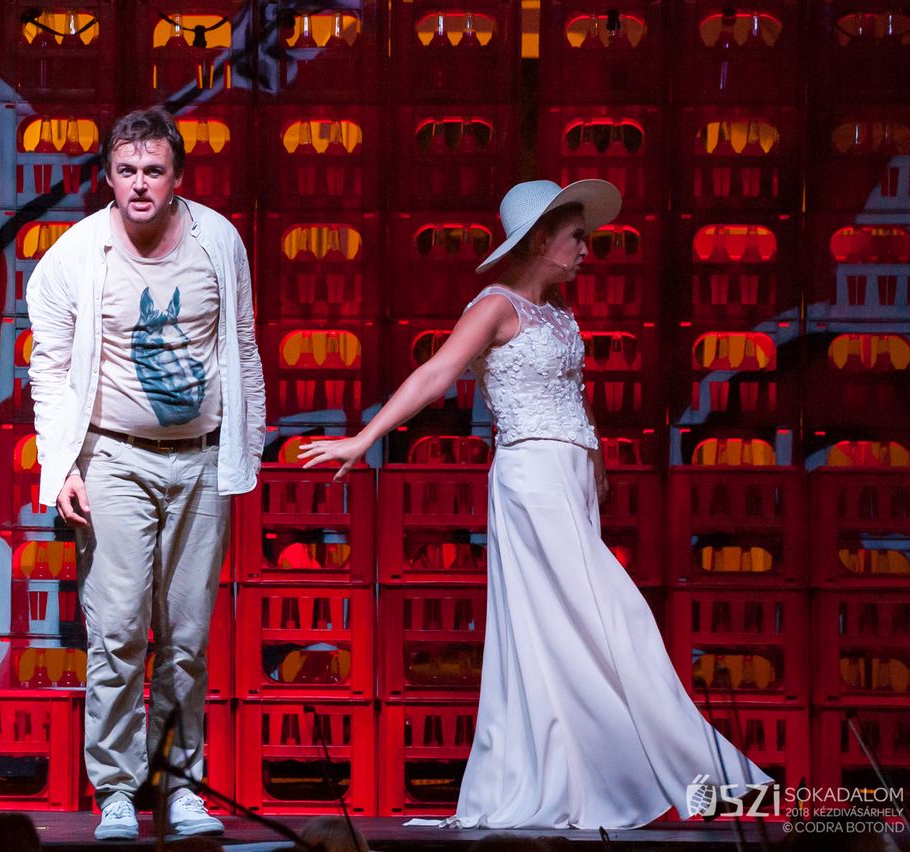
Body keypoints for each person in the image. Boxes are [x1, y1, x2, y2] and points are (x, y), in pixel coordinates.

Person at [300, 179, 772, 829]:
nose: (586, 250)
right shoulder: (495, 306)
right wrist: (365, 437)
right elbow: (437, 373)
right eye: (578, 238)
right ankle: (713, 783)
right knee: (621, 623)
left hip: (569, 479)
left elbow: (573, 390)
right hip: (532, 479)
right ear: (542, 240)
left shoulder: (557, 311)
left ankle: (588, 781)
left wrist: (594, 455)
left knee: (567, 638)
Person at [26, 107, 266, 841]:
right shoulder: (74, 255)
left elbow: (243, 345)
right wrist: (61, 465)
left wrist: (244, 454)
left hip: (201, 458)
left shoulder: (217, 241)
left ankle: (182, 787)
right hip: (113, 457)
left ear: (177, 177)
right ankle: (117, 792)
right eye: (126, 170)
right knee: (119, 631)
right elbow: (50, 369)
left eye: (153, 171)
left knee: (187, 637)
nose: (139, 184)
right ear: (108, 175)